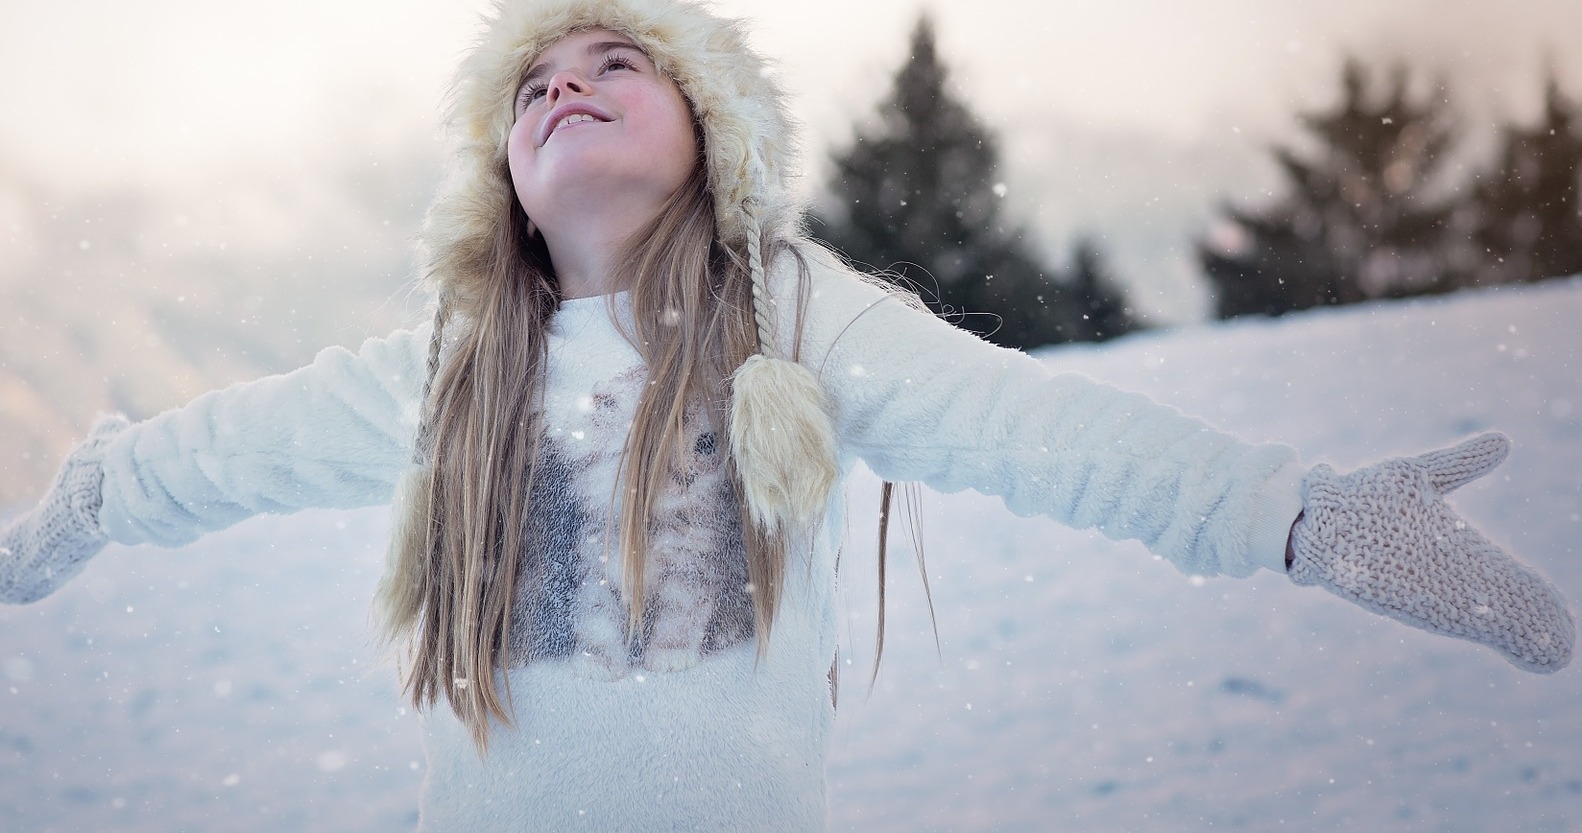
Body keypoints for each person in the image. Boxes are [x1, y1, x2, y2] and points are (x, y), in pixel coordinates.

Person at [0, 0, 1573, 829]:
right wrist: (96, 489)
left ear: (711, 137)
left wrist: (1298, 512)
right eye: (532, 84)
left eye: (618, 61)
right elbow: (234, 444)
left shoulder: (793, 312)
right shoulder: (453, 363)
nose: (565, 84)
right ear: (502, 181)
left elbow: (1042, 430)